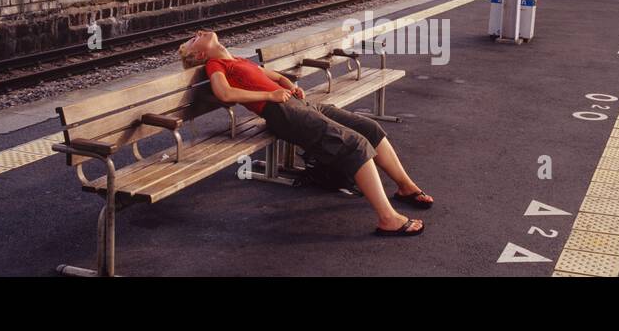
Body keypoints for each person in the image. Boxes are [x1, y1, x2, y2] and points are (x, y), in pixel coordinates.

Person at [179, 30, 433, 237]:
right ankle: (387, 218)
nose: (198, 33)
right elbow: (225, 94)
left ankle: (405, 187)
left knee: (369, 128)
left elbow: (276, 76)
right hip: (282, 113)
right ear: (201, 53)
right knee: (354, 144)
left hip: (296, 103)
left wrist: (290, 86)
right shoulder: (215, 64)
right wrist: (270, 95)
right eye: (193, 39)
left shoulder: (236, 59)